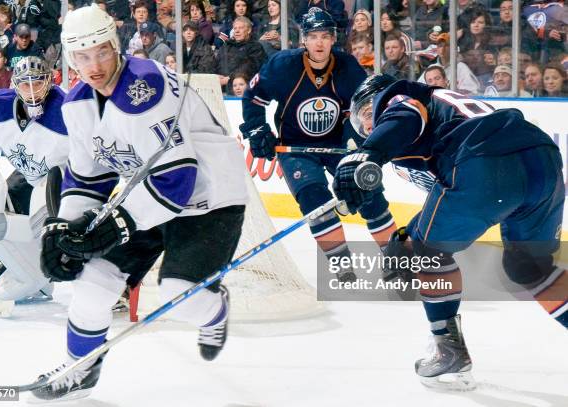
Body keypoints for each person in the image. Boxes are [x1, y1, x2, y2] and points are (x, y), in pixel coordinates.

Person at [29, 4, 248, 401]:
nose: (93, 66)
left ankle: (216, 310)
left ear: (116, 46)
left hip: (209, 200)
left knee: (180, 296)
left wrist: (114, 226)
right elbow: (88, 176)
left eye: (101, 52)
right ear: (69, 58)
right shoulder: (77, 102)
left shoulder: (144, 86)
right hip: (149, 198)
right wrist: (60, 229)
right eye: (82, 56)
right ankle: (81, 369)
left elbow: (178, 178)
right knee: (92, 284)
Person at [333, 74, 567, 390]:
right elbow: (451, 195)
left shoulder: (396, 98)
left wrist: (366, 153)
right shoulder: (444, 110)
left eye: (365, 116)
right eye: (362, 128)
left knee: (427, 250)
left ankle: (448, 348)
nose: (368, 127)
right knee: (530, 268)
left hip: (484, 159)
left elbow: (405, 115)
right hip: (543, 159)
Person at [240, 8, 367, 282]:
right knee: (313, 199)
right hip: (295, 145)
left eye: (324, 36)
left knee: (370, 194)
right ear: (304, 40)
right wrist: (257, 128)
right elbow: (254, 96)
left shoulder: (348, 67)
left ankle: (397, 257)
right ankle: (342, 264)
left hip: (338, 143)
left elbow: (363, 107)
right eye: (312, 36)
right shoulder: (283, 65)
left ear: (333, 39)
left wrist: (356, 137)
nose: (319, 42)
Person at [0, 56, 68, 304]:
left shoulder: (68, 110)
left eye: (37, 83)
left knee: (45, 214)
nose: (31, 90)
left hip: (61, 184)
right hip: (24, 180)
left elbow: (92, 169)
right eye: (25, 84)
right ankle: (30, 273)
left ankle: (103, 271)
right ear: (15, 85)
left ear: (49, 82)